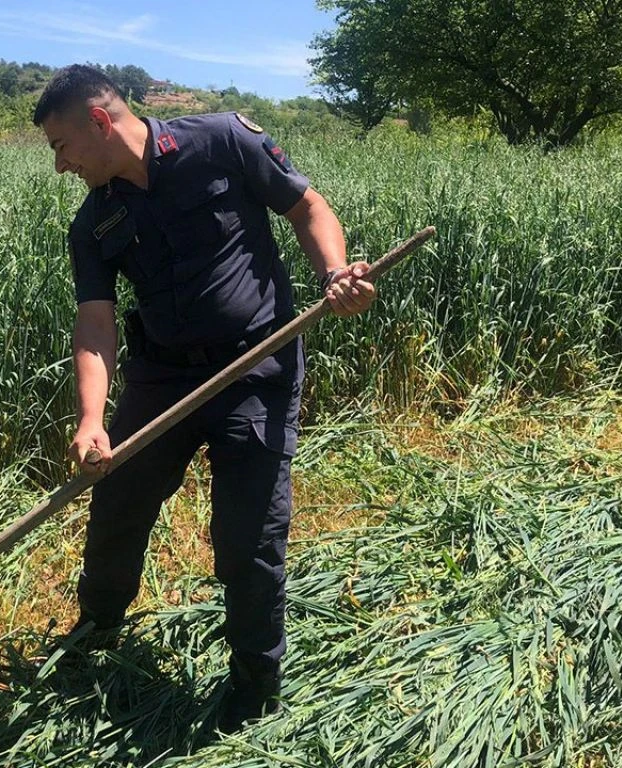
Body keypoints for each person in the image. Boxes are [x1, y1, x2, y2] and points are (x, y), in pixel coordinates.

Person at [32, 65, 377, 731]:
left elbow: (308, 206)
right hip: (162, 380)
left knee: (248, 540)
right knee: (118, 510)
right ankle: (96, 633)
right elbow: (96, 324)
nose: (59, 166)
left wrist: (335, 275)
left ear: (99, 122)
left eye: (60, 147)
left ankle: (252, 691)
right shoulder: (95, 222)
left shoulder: (222, 142)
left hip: (257, 368)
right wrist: (92, 419)